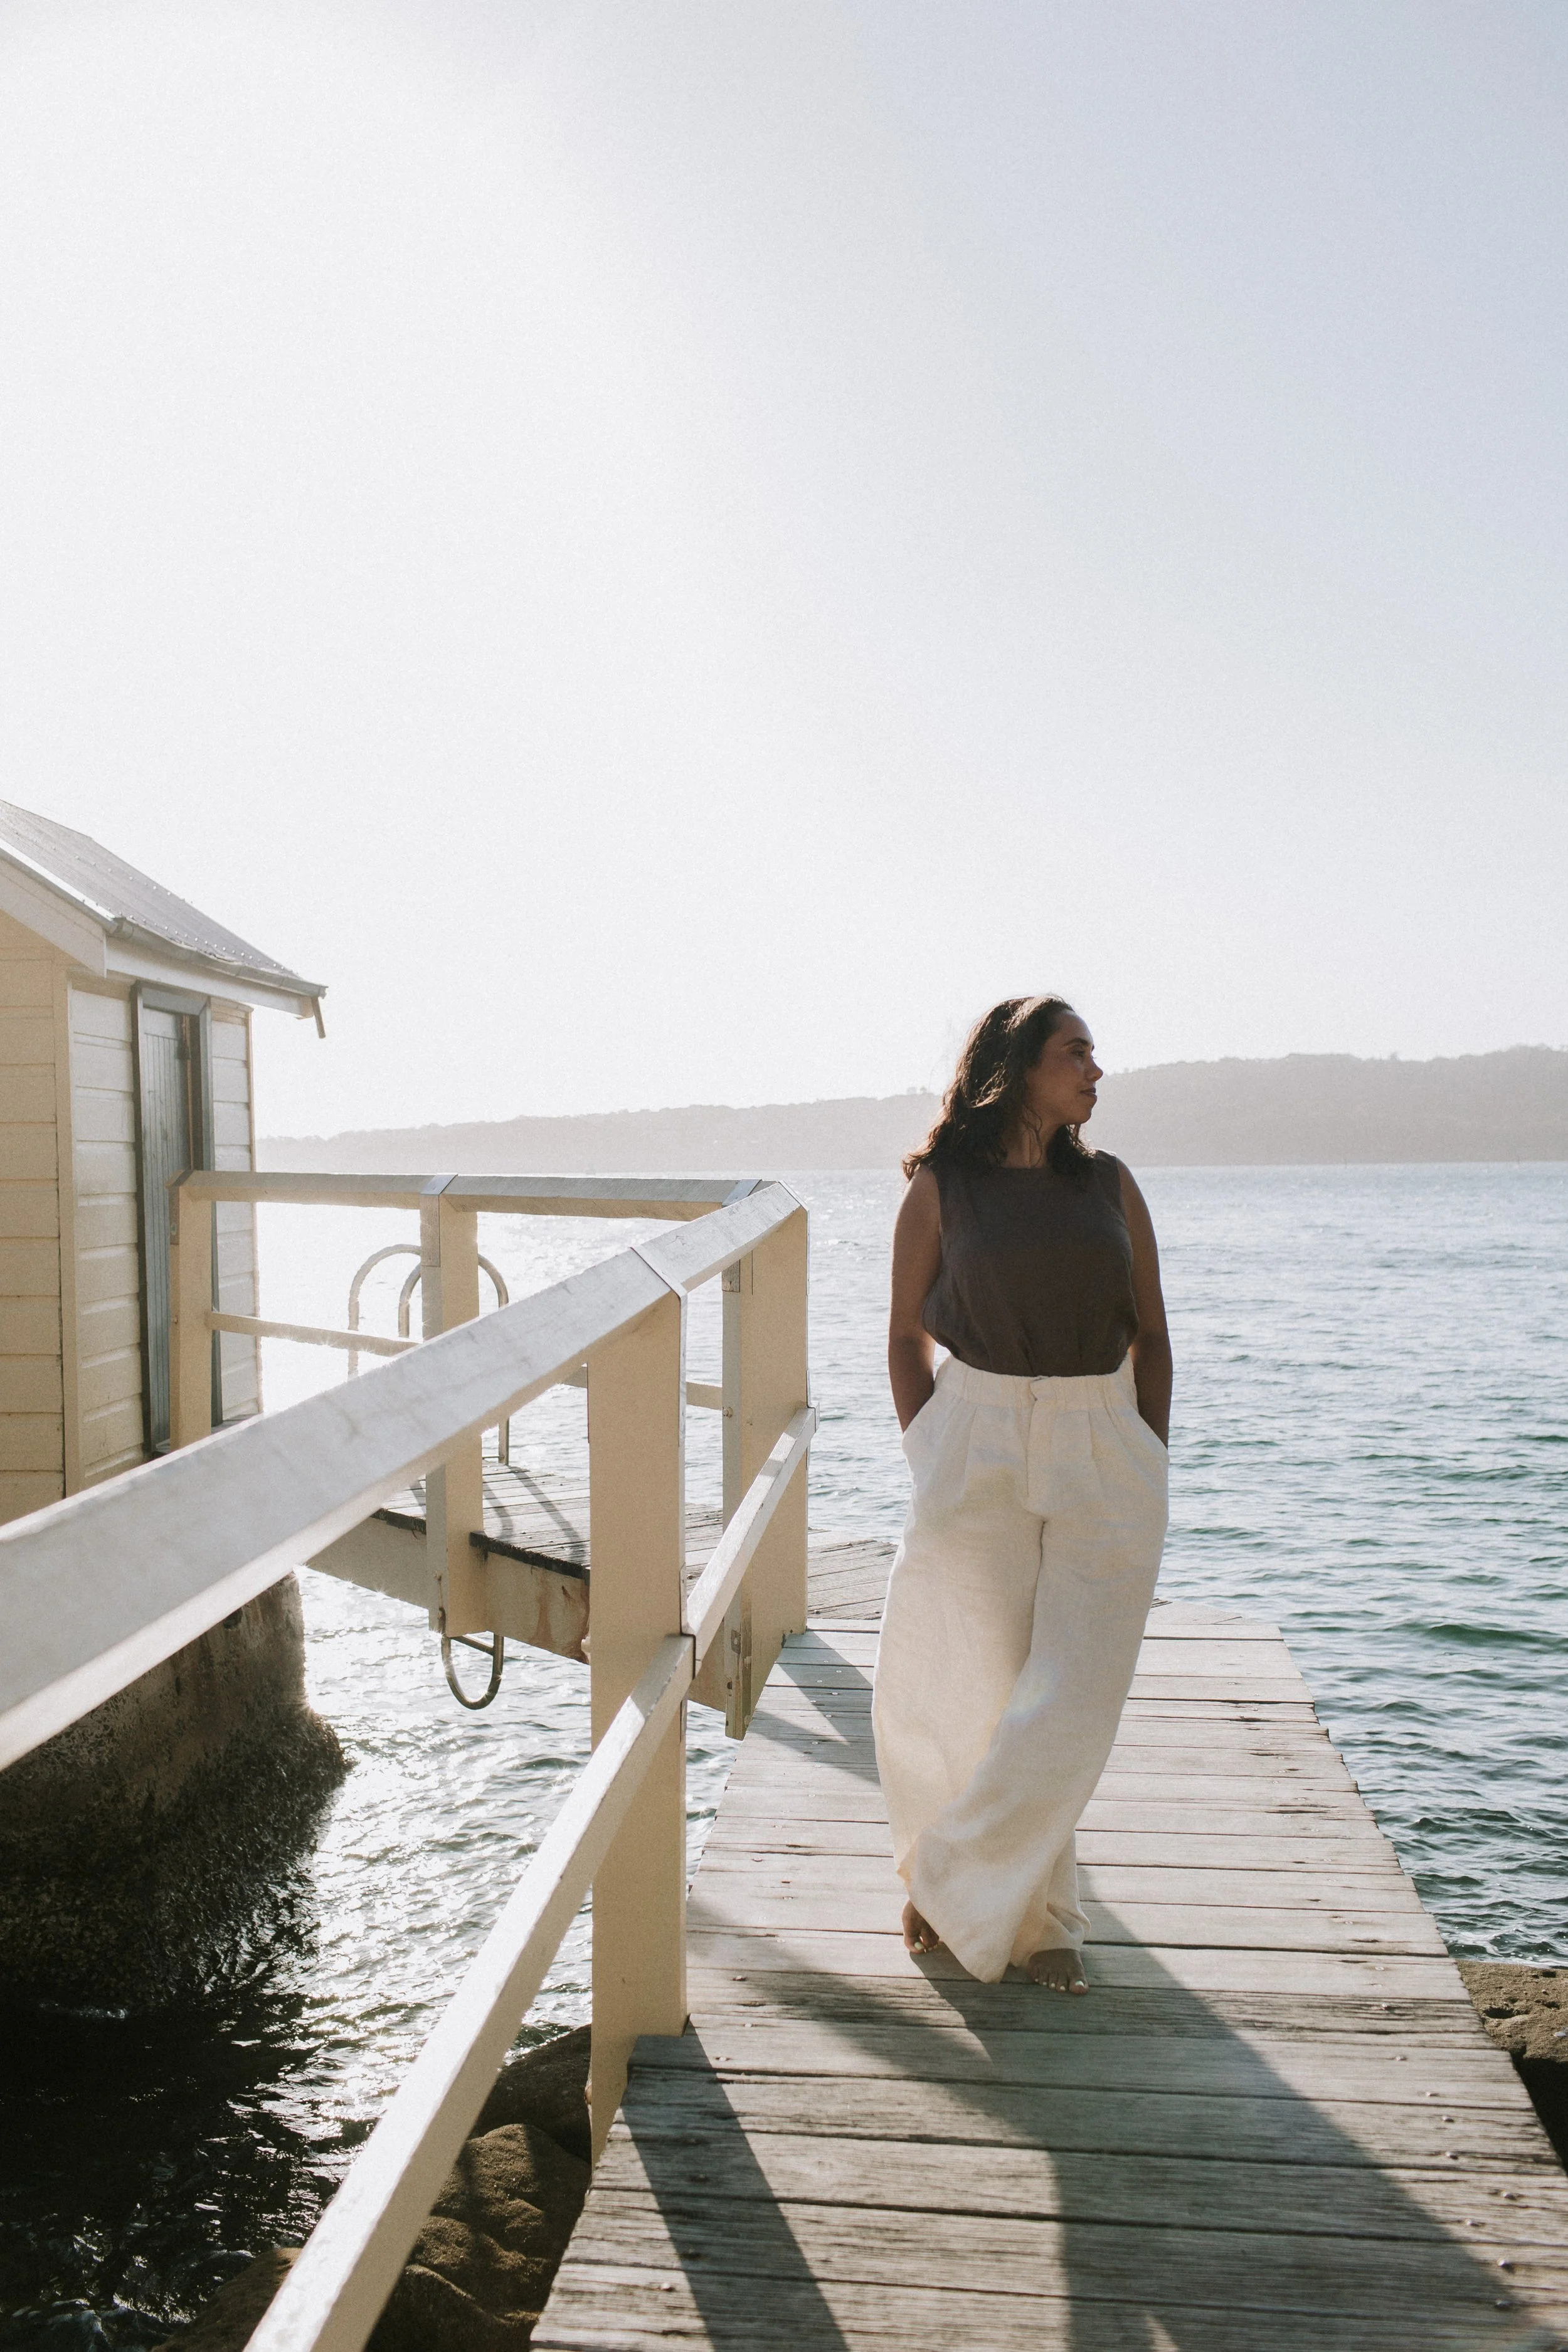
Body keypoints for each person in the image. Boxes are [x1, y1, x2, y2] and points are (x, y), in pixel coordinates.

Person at [872, 995, 1171, 1993]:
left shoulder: (1114, 1185)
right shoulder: (943, 1188)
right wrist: (932, 1447)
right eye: (1076, 1052)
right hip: (979, 1436)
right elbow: (905, 1333)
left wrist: (1144, 1445)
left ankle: (949, 1877)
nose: (1096, 1069)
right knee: (981, 1682)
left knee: (1072, 1698)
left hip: (1102, 1439)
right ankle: (1045, 1925)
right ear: (1020, 1066)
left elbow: (1153, 1333)